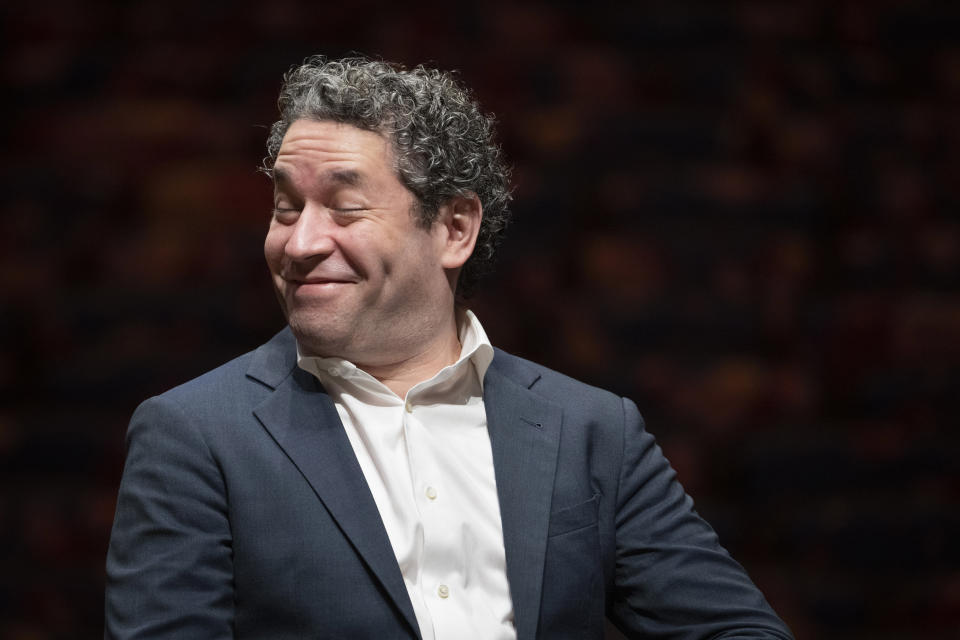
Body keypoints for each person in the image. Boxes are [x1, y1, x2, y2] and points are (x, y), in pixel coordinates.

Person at [105, 56, 794, 640]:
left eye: (344, 209)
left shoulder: (592, 431)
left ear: (454, 228)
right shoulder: (194, 436)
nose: (301, 242)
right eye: (286, 208)